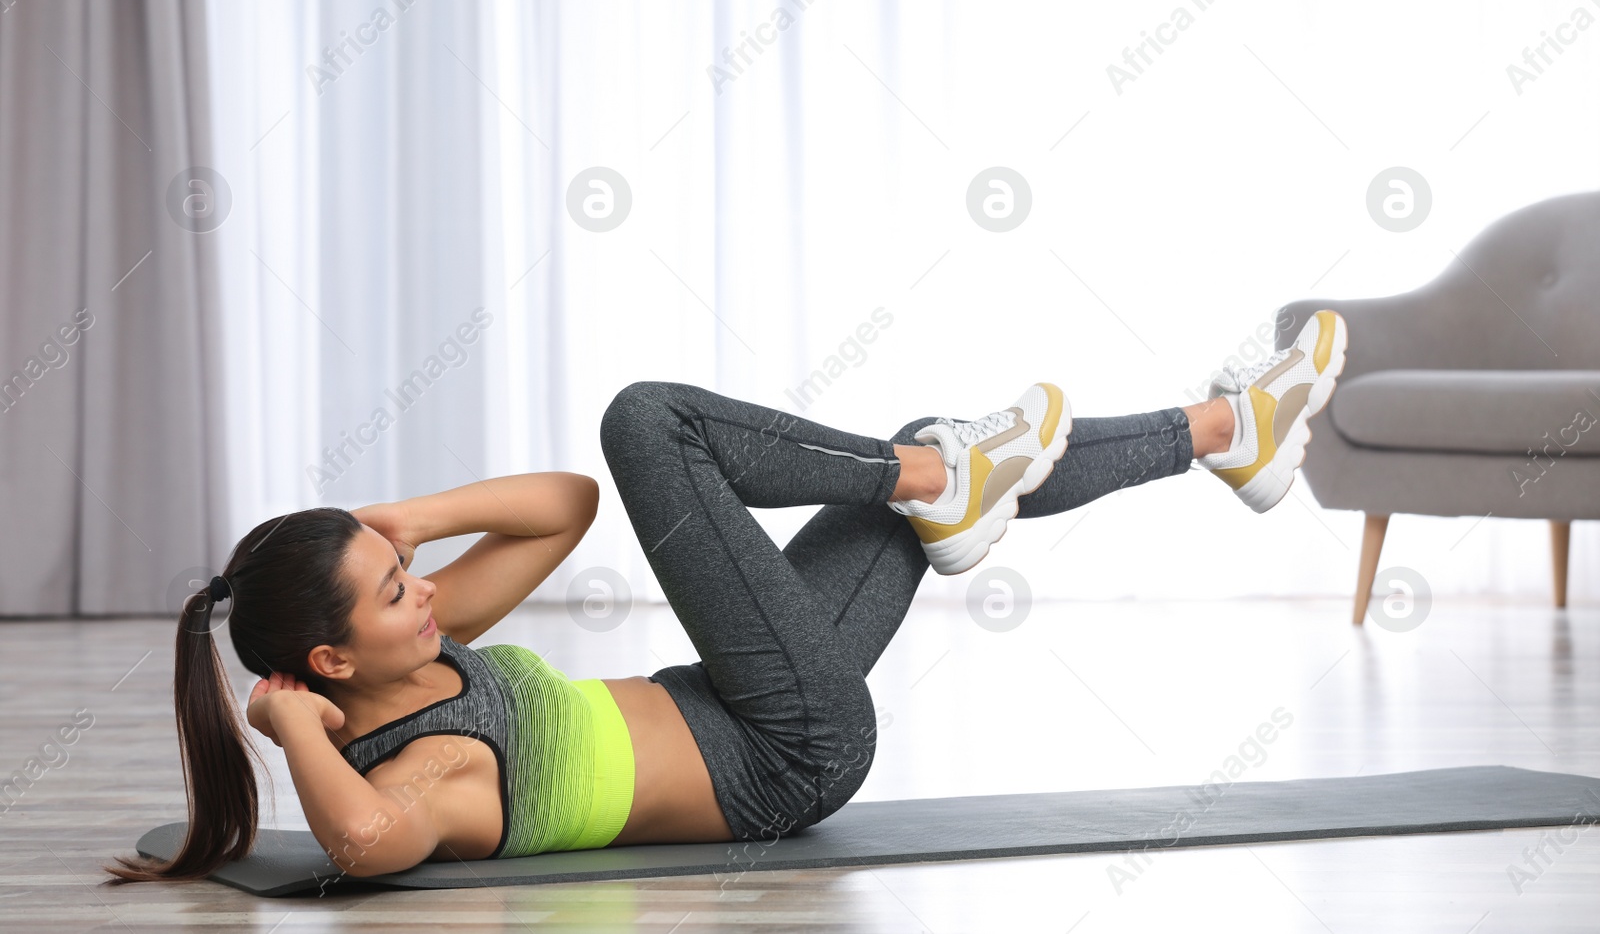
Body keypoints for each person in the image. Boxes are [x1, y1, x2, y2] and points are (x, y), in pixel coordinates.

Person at [102, 309, 1347, 883]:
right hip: (780, 749)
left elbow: (566, 504)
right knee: (653, 421)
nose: (422, 592)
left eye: (408, 573)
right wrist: (295, 733)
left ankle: (1232, 428)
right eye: (390, 592)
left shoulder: (424, 651)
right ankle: (946, 470)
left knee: (928, 465)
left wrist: (412, 518)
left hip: (739, 695)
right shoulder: (416, 770)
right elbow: (361, 847)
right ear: (328, 663)